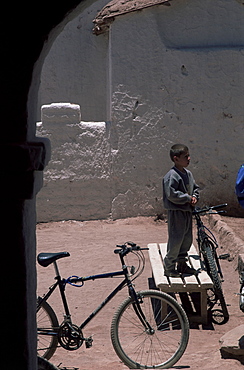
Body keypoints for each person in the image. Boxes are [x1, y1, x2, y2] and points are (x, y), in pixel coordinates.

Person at [162, 144, 200, 277]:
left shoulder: (188, 174)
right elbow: (171, 194)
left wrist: (194, 196)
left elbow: (195, 188)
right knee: (176, 239)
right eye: (185, 156)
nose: (189, 158)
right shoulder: (171, 176)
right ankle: (169, 267)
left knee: (186, 239)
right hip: (176, 212)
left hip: (187, 212)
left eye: (189, 155)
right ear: (176, 158)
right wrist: (187, 198)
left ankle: (182, 264)